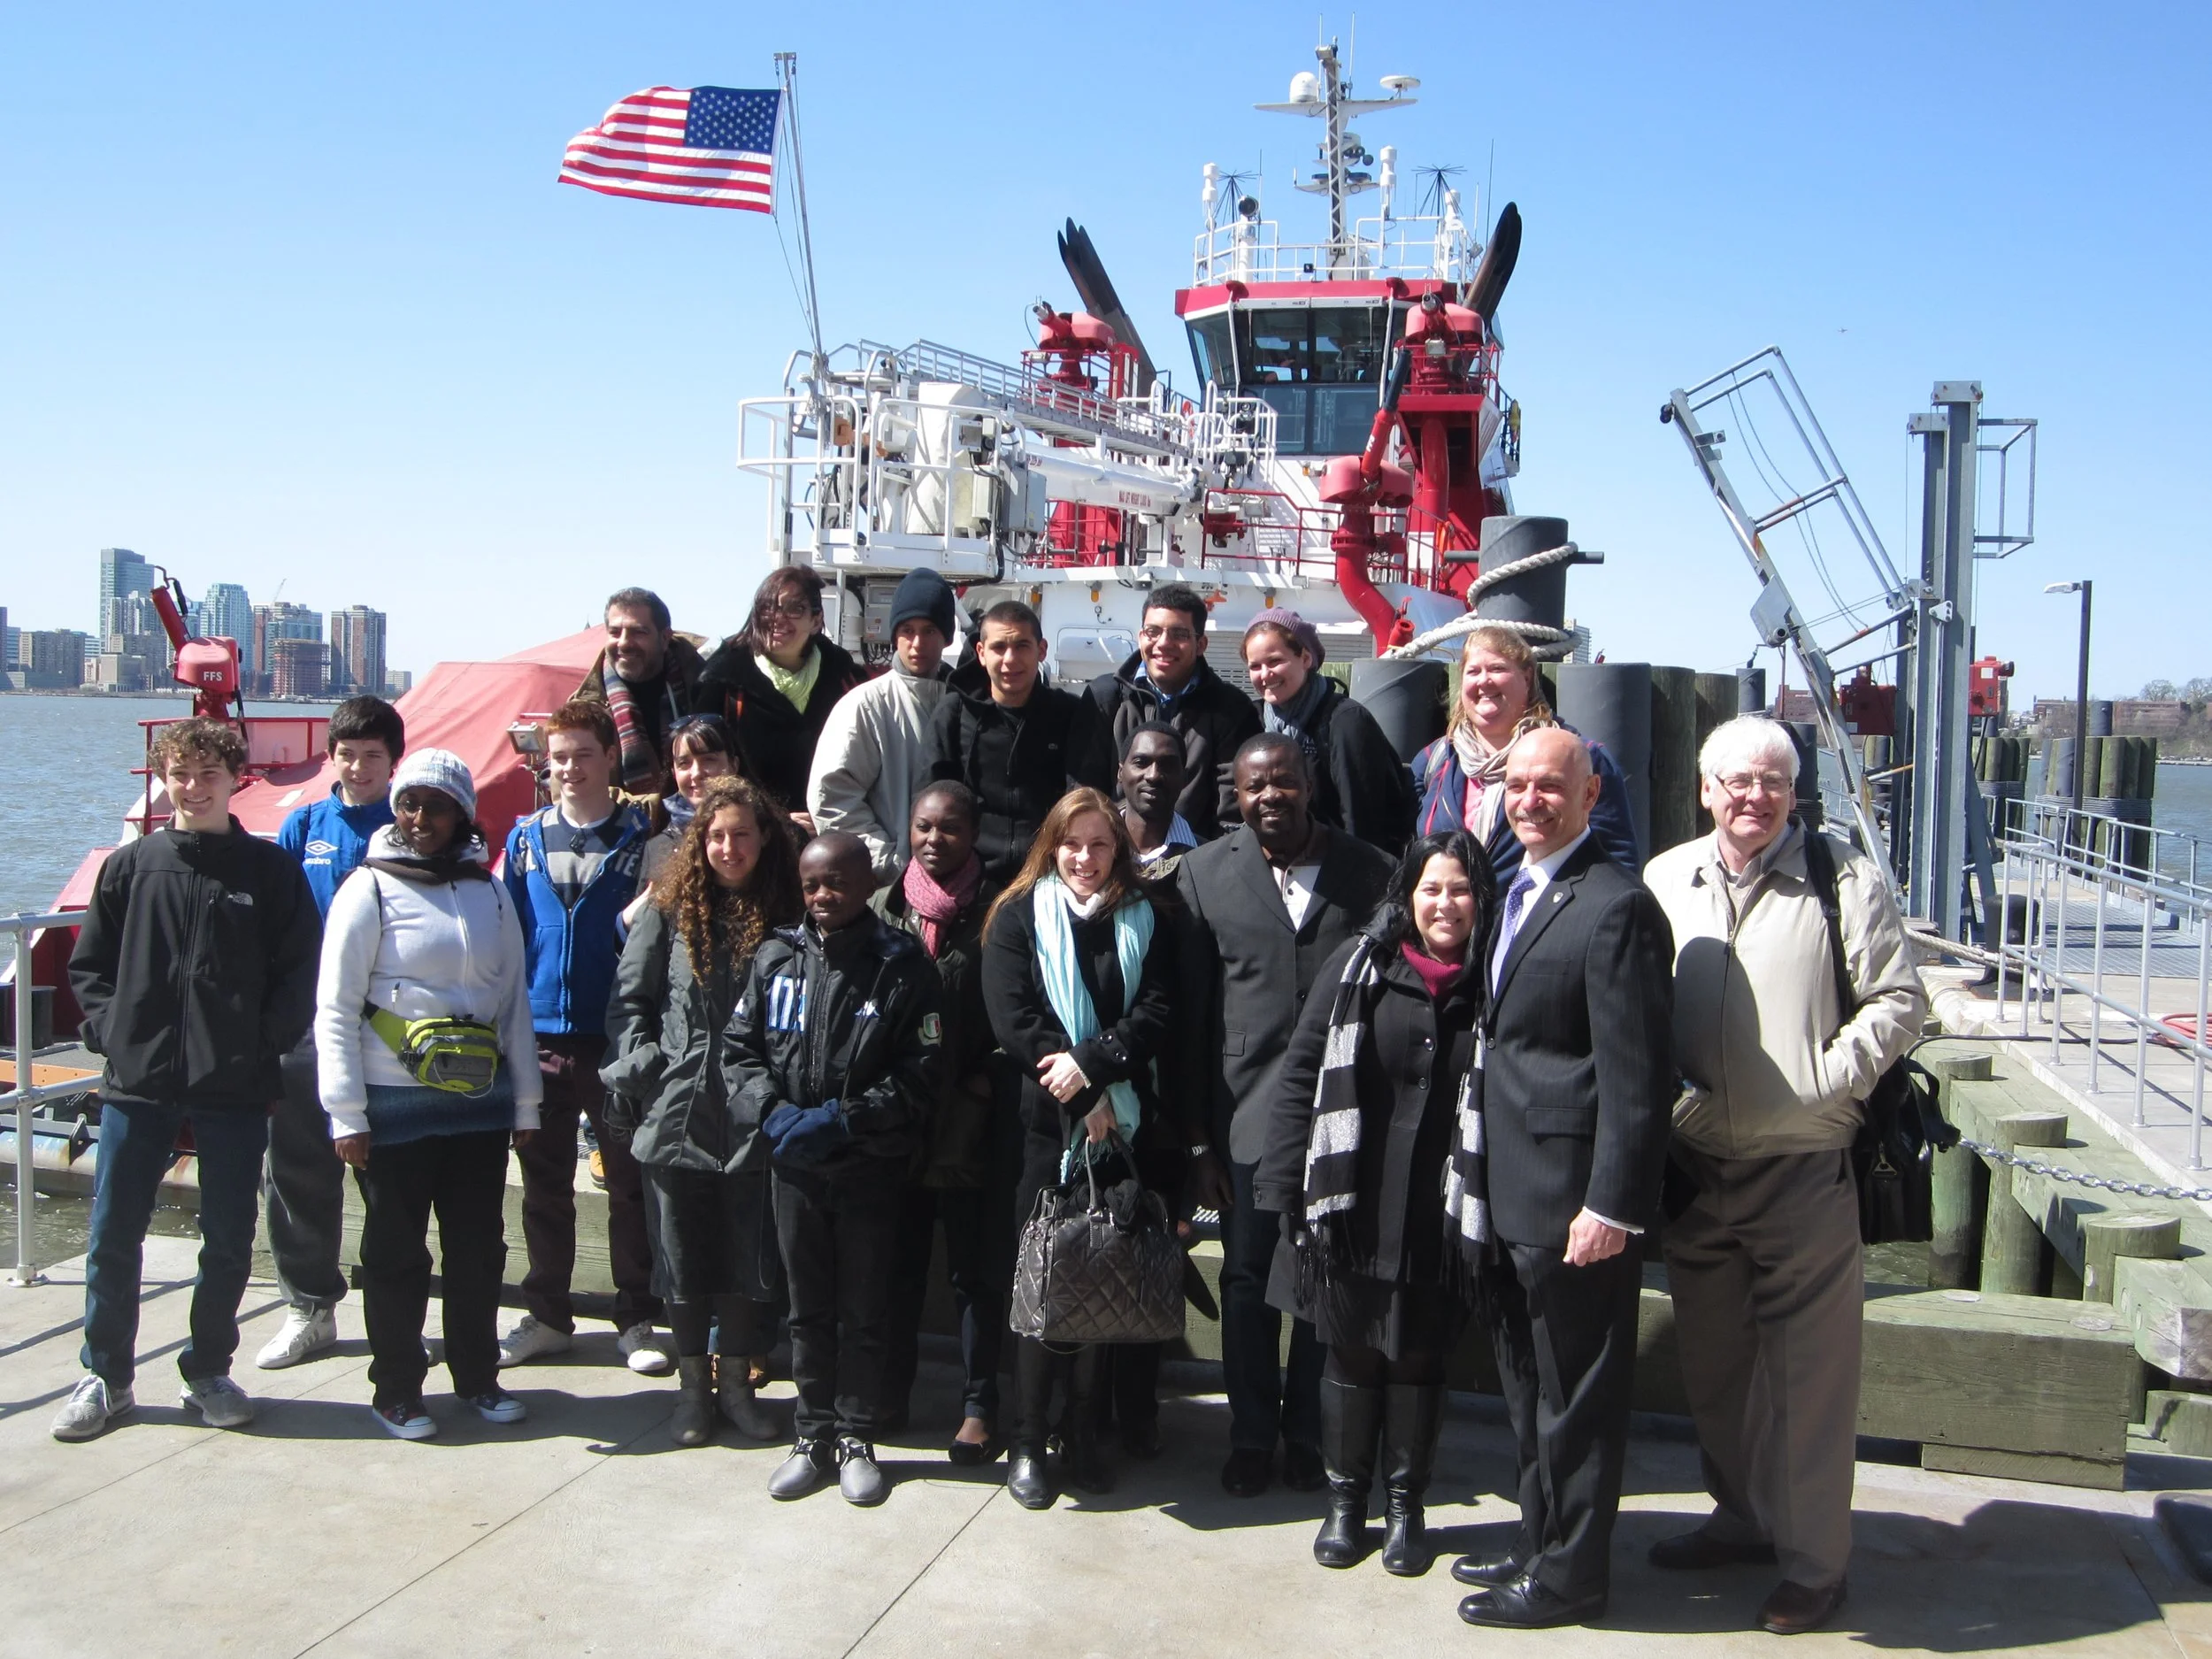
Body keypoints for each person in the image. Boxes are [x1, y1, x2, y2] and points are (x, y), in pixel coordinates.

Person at [1642, 716, 1925, 1636]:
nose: (1752, 796)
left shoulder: (1844, 882)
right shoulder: (1664, 878)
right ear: (1704, 788)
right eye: (1735, 780)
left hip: (1802, 1169)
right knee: (1718, 1369)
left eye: (1771, 781)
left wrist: (1824, 1084)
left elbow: (1898, 1001)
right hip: (1695, 1167)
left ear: (1793, 792)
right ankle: (1740, 1518)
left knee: (1810, 1383)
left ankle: (1814, 1564)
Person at [1452, 728, 1676, 1630]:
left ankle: (1572, 1578)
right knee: (1528, 1391)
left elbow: (1637, 1077)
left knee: (1577, 1400)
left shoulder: (1616, 907)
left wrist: (1610, 1206)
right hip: (1510, 1192)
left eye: (1552, 786)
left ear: (1590, 797)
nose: (1530, 799)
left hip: (1573, 1203)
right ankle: (1538, 1539)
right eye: (1518, 784)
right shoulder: (1515, 890)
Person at [55, 718, 319, 1441]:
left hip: (233, 1084)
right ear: (162, 776)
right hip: (138, 1082)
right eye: (180, 772)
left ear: (236, 778)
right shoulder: (129, 866)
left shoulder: (269, 873)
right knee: (113, 1232)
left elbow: (299, 975)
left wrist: (260, 1048)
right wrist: (115, 1039)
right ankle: (105, 1373)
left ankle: (208, 1368)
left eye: (208, 774)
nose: (193, 787)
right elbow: (90, 970)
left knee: (229, 1235)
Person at [1257, 831, 1494, 1576]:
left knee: (1420, 1356)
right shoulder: (1361, 963)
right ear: (1408, 895)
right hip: (1349, 1200)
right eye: (1431, 888)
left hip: (1440, 1206)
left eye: (1459, 889)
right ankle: (1344, 1500)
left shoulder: (1496, 974)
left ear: (1479, 899)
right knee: (1351, 1350)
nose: (1445, 903)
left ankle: (1404, 1505)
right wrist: (1282, 1180)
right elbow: (1303, 1067)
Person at [1175, 733, 1394, 1497]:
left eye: (1285, 782)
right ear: (1235, 796)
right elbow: (1194, 1020)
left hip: (1340, 1116)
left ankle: (1308, 1435)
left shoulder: (1371, 873)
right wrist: (1199, 1139)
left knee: (1322, 1281)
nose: (1270, 796)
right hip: (1244, 1121)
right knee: (1244, 1280)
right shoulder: (1202, 874)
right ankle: (1250, 1435)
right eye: (1253, 786)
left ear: (1310, 783)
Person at [315, 749, 540, 1439]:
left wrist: (525, 1103)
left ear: (462, 815)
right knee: (395, 1254)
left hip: (477, 1108)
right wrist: (345, 1113)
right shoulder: (369, 889)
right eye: (409, 802)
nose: (419, 818)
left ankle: (477, 1377)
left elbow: (513, 1005)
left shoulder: (489, 888)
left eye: (436, 806)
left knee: (478, 1249)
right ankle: (397, 1389)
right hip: (390, 1109)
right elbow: (335, 1006)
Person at [730, 831, 942, 1506]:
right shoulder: (775, 957)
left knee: (864, 1307)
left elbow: (924, 1071)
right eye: (812, 884)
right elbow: (740, 1052)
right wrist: (774, 1115)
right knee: (807, 1307)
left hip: (868, 1166)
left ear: (866, 882)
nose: (824, 896)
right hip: (794, 1165)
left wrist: (847, 1120)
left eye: (838, 883)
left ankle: (856, 1434)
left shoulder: (902, 963)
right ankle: (811, 1432)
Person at [983, 788, 1177, 1510]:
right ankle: (1030, 1438)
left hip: (1124, 1131)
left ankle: (1084, 1433)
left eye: (1100, 844)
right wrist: (1079, 1091)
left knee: (1104, 1275)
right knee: (1046, 1279)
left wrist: (1095, 1063)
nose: (1086, 858)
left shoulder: (1145, 915)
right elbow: (1014, 1016)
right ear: (1051, 844)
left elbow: (1157, 1010)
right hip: (1042, 1132)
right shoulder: (1016, 915)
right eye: (1073, 844)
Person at [603, 776, 803, 1448]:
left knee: (747, 1259)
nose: (729, 847)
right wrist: (647, 1066)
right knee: (683, 1261)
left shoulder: (788, 908)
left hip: (753, 1115)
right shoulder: (667, 906)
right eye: (716, 835)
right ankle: (693, 1392)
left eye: (742, 832)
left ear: (764, 835)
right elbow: (631, 1000)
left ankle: (739, 1388)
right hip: (678, 1110)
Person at [499, 700, 665, 1373]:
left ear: (609, 758)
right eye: (558, 756)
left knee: (628, 1181)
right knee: (544, 1184)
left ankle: (637, 1317)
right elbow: (505, 930)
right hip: (538, 1034)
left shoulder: (640, 835)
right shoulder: (525, 838)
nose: (569, 768)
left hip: (614, 1035)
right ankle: (547, 1313)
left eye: (582, 754)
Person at [259, 694, 405, 1371]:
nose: (358, 766)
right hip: (309, 1027)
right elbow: (278, 926)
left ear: (393, 761)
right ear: (331, 756)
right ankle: (309, 1306)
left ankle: (394, 1310)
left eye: (372, 755)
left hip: (386, 1029)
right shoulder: (304, 825)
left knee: (391, 1179)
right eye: (347, 754)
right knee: (297, 1172)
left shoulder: (411, 826)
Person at [876, 782, 1011, 1462]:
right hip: (897, 1118)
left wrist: (985, 1075)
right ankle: (888, 1393)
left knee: (973, 1273)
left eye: (949, 828)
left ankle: (979, 1405)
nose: (934, 839)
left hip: (967, 1118)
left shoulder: (999, 912)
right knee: (897, 1266)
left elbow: (1018, 1007)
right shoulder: (885, 907)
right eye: (923, 826)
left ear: (974, 833)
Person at [1409, 624, 1640, 890]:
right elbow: (1412, 857)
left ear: (1527, 678)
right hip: (1450, 922)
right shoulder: (1434, 760)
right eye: (1473, 671)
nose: (1484, 680)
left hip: (1540, 923)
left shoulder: (1581, 758)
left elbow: (1617, 861)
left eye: (1497, 668)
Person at [928, 599, 1114, 879]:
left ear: (1041, 650)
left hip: (1048, 877)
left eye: (1021, 646)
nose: (1010, 659)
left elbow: (1084, 798)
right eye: (999, 647)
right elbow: (930, 798)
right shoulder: (954, 714)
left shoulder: (1070, 714)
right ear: (981, 652)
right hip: (970, 878)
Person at [809, 567, 958, 883]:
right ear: (894, 635)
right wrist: (891, 865)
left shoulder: (967, 703)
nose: (917, 642)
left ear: (947, 636)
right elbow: (832, 799)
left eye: (930, 630)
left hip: (964, 892)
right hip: (888, 891)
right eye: (907, 630)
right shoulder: (864, 706)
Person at [1087, 581, 1259, 840]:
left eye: (1179, 634)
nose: (1163, 643)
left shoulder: (1232, 710)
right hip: (1114, 857)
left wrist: (1206, 865)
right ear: (1140, 637)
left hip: (1196, 861)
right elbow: (1084, 792)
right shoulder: (1104, 698)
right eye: (1153, 631)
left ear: (1201, 644)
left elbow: (1232, 809)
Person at [701, 566, 868, 827]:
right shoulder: (723, 680)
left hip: (829, 834)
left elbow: (865, 765)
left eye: (794, 609)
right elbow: (705, 772)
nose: (778, 618)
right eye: (768, 608)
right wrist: (772, 820)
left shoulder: (845, 679)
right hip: (749, 837)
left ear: (815, 620)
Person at [1240, 609, 1416, 856]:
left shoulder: (1345, 722)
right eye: (1255, 666)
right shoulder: (1253, 720)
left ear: (1305, 658)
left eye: (1275, 661)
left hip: (1338, 866)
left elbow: (1363, 821)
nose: (1265, 675)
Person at [580, 587, 715, 796]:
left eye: (638, 632)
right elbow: (572, 791)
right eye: (615, 632)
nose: (624, 643)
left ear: (664, 638)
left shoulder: (709, 687)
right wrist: (650, 809)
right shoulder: (585, 709)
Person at [623, 713, 741, 926]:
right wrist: (624, 924)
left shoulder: (766, 834)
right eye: (684, 763)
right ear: (673, 772)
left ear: (733, 765)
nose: (696, 773)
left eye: (709, 760)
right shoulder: (658, 848)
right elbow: (641, 932)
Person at [1117, 720, 1202, 878]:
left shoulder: (1208, 860)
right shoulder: (1088, 852)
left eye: (1168, 765)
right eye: (1141, 763)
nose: (1153, 775)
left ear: (1185, 778)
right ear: (1120, 773)